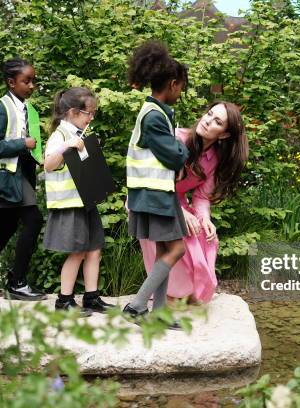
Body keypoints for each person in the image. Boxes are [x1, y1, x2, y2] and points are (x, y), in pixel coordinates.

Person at [139, 101, 248, 303]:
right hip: (151, 198)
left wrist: (205, 219)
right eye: (209, 114)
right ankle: (164, 297)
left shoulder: (214, 158)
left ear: (224, 135)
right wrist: (181, 211)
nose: (207, 121)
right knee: (177, 239)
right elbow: (153, 181)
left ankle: (189, 292)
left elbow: (201, 197)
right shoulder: (175, 138)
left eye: (217, 121)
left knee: (205, 236)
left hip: (175, 202)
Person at [123, 41, 190, 330]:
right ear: (173, 84)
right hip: (153, 194)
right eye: (181, 87)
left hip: (157, 193)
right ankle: (137, 306)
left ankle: (159, 313)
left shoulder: (157, 113)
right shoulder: (154, 117)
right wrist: (181, 146)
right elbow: (176, 157)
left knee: (166, 251)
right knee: (177, 250)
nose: (181, 93)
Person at [0, 58, 46, 301]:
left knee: (7, 227)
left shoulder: (28, 109)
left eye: (33, 80)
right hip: (6, 177)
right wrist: (22, 144)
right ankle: (17, 282)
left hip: (22, 173)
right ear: (11, 82)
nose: (32, 85)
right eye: (27, 81)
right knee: (33, 220)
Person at [43, 87, 114, 316]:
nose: (91, 117)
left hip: (85, 202)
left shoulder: (80, 134)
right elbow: (48, 165)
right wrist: (67, 147)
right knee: (77, 252)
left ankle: (91, 298)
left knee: (94, 249)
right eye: (89, 113)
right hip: (69, 205)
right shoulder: (60, 136)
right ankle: (64, 301)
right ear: (73, 112)